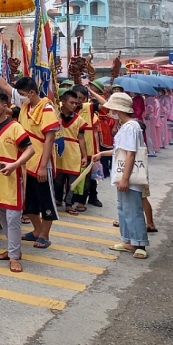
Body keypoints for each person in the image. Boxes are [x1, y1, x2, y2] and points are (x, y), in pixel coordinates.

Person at [0, 60, 59, 250]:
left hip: (41, 161)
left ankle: (45, 235)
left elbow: (49, 139)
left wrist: (42, 165)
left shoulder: (46, 109)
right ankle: (37, 230)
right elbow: (5, 86)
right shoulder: (26, 105)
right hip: (25, 163)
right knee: (29, 202)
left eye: (21, 95)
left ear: (31, 93)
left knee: (45, 200)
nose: (18, 98)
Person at [91, 93, 149, 259]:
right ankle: (129, 241)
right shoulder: (127, 125)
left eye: (111, 109)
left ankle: (140, 244)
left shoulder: (130, 127)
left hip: (128, 175)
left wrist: (125, 178)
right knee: (124, 209)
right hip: (124, 173)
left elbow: (130, 154)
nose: (109, 111)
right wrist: (102, 153)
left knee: (132, 209)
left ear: (118, 109)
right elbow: (120, 151)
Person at [0, 91, 34, 273]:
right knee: (3, 219)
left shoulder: (15, 128)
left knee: (13, 220)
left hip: (11, 182)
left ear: (5, 107)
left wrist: (16, 164)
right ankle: (14, 250)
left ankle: (14, 257)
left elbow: (30, 150)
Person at [53, 90, 88, 216]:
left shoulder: (79, 120)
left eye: (76, 103)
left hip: (73, 152)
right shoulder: (54, 115)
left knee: (72, 181)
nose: (74, 105)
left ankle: (69, 204)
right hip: (58, 151)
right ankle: (57, 199)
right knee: (57, 179)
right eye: (71, 103)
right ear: (63, 101)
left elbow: (81, 138)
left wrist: (84, 156)